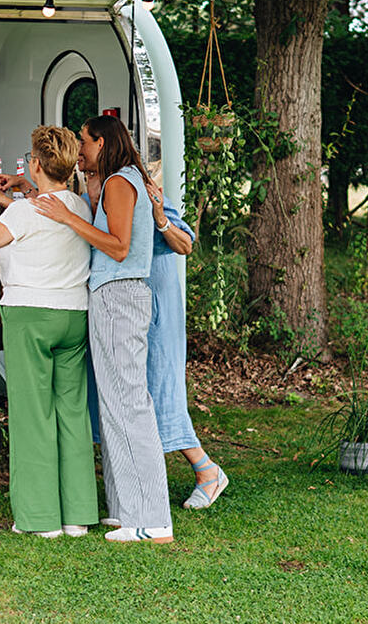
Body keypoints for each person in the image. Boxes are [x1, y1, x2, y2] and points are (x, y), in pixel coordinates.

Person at [32, 115, 173, 544]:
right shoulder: (114, 181)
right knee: (115, 403)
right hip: (113, 296)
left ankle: (152, 518)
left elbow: (119, 246)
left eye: (84, 141)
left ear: (102, 142)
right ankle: (127, 509)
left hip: (119, 295)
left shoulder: (120, 182)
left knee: (128, 403)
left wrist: (68, 218)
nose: (79, 149)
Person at [0, 127, 97, 539]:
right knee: (71, 412)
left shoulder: (24, 212)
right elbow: (41, 207)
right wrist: (13, 197)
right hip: (73, 313)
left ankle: (39, 518)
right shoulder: (79, 205)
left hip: (30, 315)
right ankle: (77, 515)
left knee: (32, 414)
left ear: (35, 164)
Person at [142, 179, 229, 509]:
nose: (80, 158)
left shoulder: (142, 187)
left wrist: (160, 218)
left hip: (156, 308)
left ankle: (207, 470)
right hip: (123, 306)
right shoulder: (92, 187)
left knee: (161, 392)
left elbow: (185, 243)